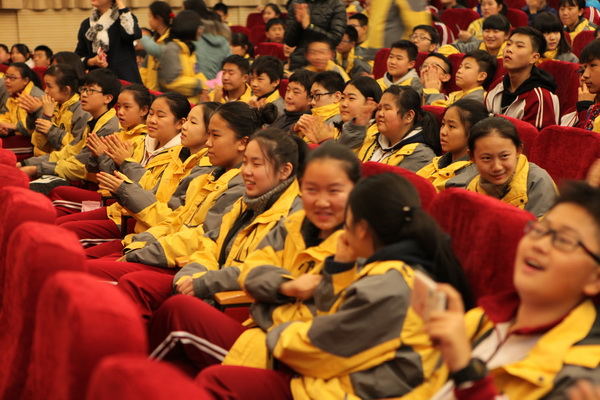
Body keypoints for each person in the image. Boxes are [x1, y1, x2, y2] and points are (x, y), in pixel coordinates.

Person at [188, 172, 473, 400]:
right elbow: (327, 316)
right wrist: (340, 267)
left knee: (217, 381)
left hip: (342, 388)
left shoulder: (390, 284)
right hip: (329, 375)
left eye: (346, 222)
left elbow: (316, 348)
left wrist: (269, 318)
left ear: (362, 229)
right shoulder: (389, 266)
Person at [147, 143, 362, 373]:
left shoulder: (358, 248)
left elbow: (318, 322)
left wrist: (264, 306)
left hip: (287, 356)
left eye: (334, 191)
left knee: (180, 321)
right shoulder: (292, 225)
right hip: (256, 332)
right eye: (311, 189)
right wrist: (286, 288)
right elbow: (252, 272)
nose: (321, 201)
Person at [403, 181, 600, 400]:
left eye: (563, 240)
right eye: (540, 230)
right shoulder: (483, 319)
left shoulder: (585, 376)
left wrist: (467, 373)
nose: (539, 245)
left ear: (596, 279)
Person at [118, 129, 307, 318]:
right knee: (135, 284)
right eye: (245, 162)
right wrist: (191, 275)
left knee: (173, 307)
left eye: (256, 164)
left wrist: (204, 283)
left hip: (241, 308)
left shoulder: (293, 217)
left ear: (285, 171)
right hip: (204, 282)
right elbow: (209, 245)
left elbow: (260, 272)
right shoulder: (245, 202)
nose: (246, 171)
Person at [86, 102, 277, 280]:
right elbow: (175, 219)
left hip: (177, 262)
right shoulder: (195, 168)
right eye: (151, 114)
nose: (208, 142)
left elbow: (197, 237)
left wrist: (125, 182)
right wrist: (139, 243)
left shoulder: (237, 185)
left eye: (215, 135)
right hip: (149, 239)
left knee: (86, 270)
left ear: (242, 142)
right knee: (83, 261)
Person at [54, 92, 187, 241]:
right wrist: (99, 156)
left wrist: (122, 162)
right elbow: (103, 176)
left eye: (160, 116)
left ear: (181, 123)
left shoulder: (179, 158)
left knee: (64, 230)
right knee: (59, 219)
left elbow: (149, 194)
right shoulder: (141, 143)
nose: (152, 120)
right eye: (151, 114)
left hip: (133, 221)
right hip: (117, 208)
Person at [47, 84, 153, 217]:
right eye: (119, 106)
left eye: (127, 107)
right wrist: (94, 154)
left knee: (58, 194)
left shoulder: (141, 141)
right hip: (98, 190)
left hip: (112, 201)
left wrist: (102, 155)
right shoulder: (119, 133)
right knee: (56, 205)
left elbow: (117, 180)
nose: (120, 112)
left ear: (144, 111)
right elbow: (91, 170)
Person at [19, 68, 121, 185]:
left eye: (90, 91)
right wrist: (25, 163)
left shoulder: (108, 127)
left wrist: (36, 169)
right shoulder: (92, 120)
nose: (83, 94)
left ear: (108, 98)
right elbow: (68, 152)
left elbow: (80, 165)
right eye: (83, 89)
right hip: (63, 167)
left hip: (92, 184)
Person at [466, 117, 557, 217]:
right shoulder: (471, 186)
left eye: (504, 156)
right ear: (472, 157)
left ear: (518, 150)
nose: (497, 167)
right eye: (487, 158)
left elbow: (541, 226)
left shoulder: (537, 181)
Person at [340, 85, 440, 171]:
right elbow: (340, 160)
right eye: (379, 108)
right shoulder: (372, 136)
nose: (380, 114)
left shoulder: (420, 155)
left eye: (387, 109)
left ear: (409, 116)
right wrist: (357, 127)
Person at [485, 26, 560, 129]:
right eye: (508, 44)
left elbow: (536, 137)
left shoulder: (540, 97)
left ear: (534, 58)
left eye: (519, 46)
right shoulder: (497, 85)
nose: (509, 49)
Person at [417, 99, 487, 192]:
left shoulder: (469, 179)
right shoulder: (436, 162)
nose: (443, 132)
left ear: (473, 132)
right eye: (443, 124)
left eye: (451, 126)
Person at [27, 64, 90, 157]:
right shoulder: (52, 105)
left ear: (66, 89)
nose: (45, 91)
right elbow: (39, 144)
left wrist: (52, 130)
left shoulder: (82, 111)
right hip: (49, 157)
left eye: (49, 86)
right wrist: (46, 116)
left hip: (66, 161)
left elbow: (77, 149)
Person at [75, 0, 142, 84]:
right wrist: (92, 61)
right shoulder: (86, 24)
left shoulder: (124, 18)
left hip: (124, 79)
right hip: (98, 81)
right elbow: (79, 56)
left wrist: (120, 4)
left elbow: (132, 34)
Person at [158, 10, 206, 104]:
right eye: (199, 27)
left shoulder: (188, 47)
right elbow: (170, 82)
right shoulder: (172, 48)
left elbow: (196, 72)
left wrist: (209, 85)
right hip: (175, 104)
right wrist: (200, 84)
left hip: (191, 102)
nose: (201, 31)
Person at [284, 0, 347, 70]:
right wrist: (298, 23)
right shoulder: (297, 2)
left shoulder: (336, 4)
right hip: (299, 62)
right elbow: (289, 41)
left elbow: (335, 39)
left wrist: (309, 27)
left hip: (324, 62)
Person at [425, 50, 496, 106]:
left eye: (467, 67)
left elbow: (442, 114)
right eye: (460, 67)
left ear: (481, 76)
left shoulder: (479, 98)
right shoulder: (456, 94)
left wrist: (433, 91)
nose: (459, 71)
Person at [295, 71, 344, 144]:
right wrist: (295, 130)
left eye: (317, 95)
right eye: (312, 96)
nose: (312, 102)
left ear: (336, 97)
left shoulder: (339, 124)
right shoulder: (314, 119)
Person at [0, 63, 44, 140]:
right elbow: (5, 114)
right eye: (6, 76)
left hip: (32, 140)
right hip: (16, 135)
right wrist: (4, 127)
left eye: (12, 78)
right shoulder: (14, 94)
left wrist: (14, 126)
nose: (7, 81)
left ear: (25, 80)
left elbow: (34, 127)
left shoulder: (35, 97)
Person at [139, 1, 173, 91]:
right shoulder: (154, 39)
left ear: (158, 18)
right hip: (152, 90)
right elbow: (145, 67)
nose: (148, 20)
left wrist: (144, 38)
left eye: (150, 17)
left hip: (166, 91)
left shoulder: (171, 39)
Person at [439, 14, 510, 58]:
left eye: (495, 31)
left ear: (506, 35)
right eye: (487, 31)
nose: (490, 35)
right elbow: (446, 48)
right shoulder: (476, 46)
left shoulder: (511, 51)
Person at [577, 39, 600, 131]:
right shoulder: (593, 107)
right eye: (585, 68)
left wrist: (584, 107)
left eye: (592, 65)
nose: (585, 75)